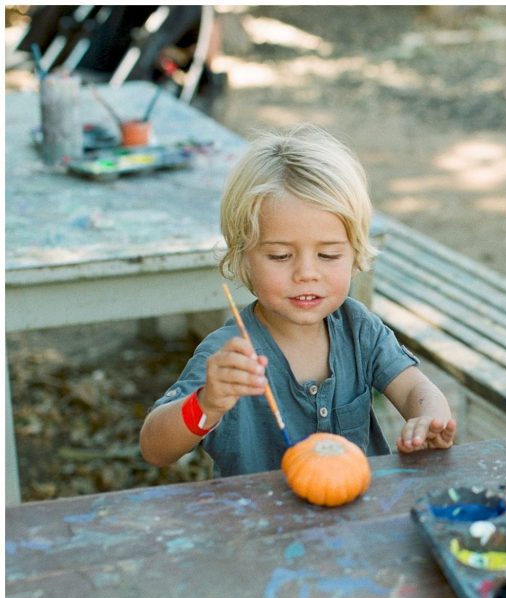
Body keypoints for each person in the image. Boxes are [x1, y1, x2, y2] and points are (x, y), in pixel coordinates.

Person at [140, 124, 457, 475]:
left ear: (354, 255)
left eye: (328, 255)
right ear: (243, 256)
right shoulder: (229, 355)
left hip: (359, 516)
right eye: (279, 256)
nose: (307, 273)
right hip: (261, 525)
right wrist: (207, 404)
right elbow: (155, 448)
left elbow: (417, 389)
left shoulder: (359, 329)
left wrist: (429, 418)